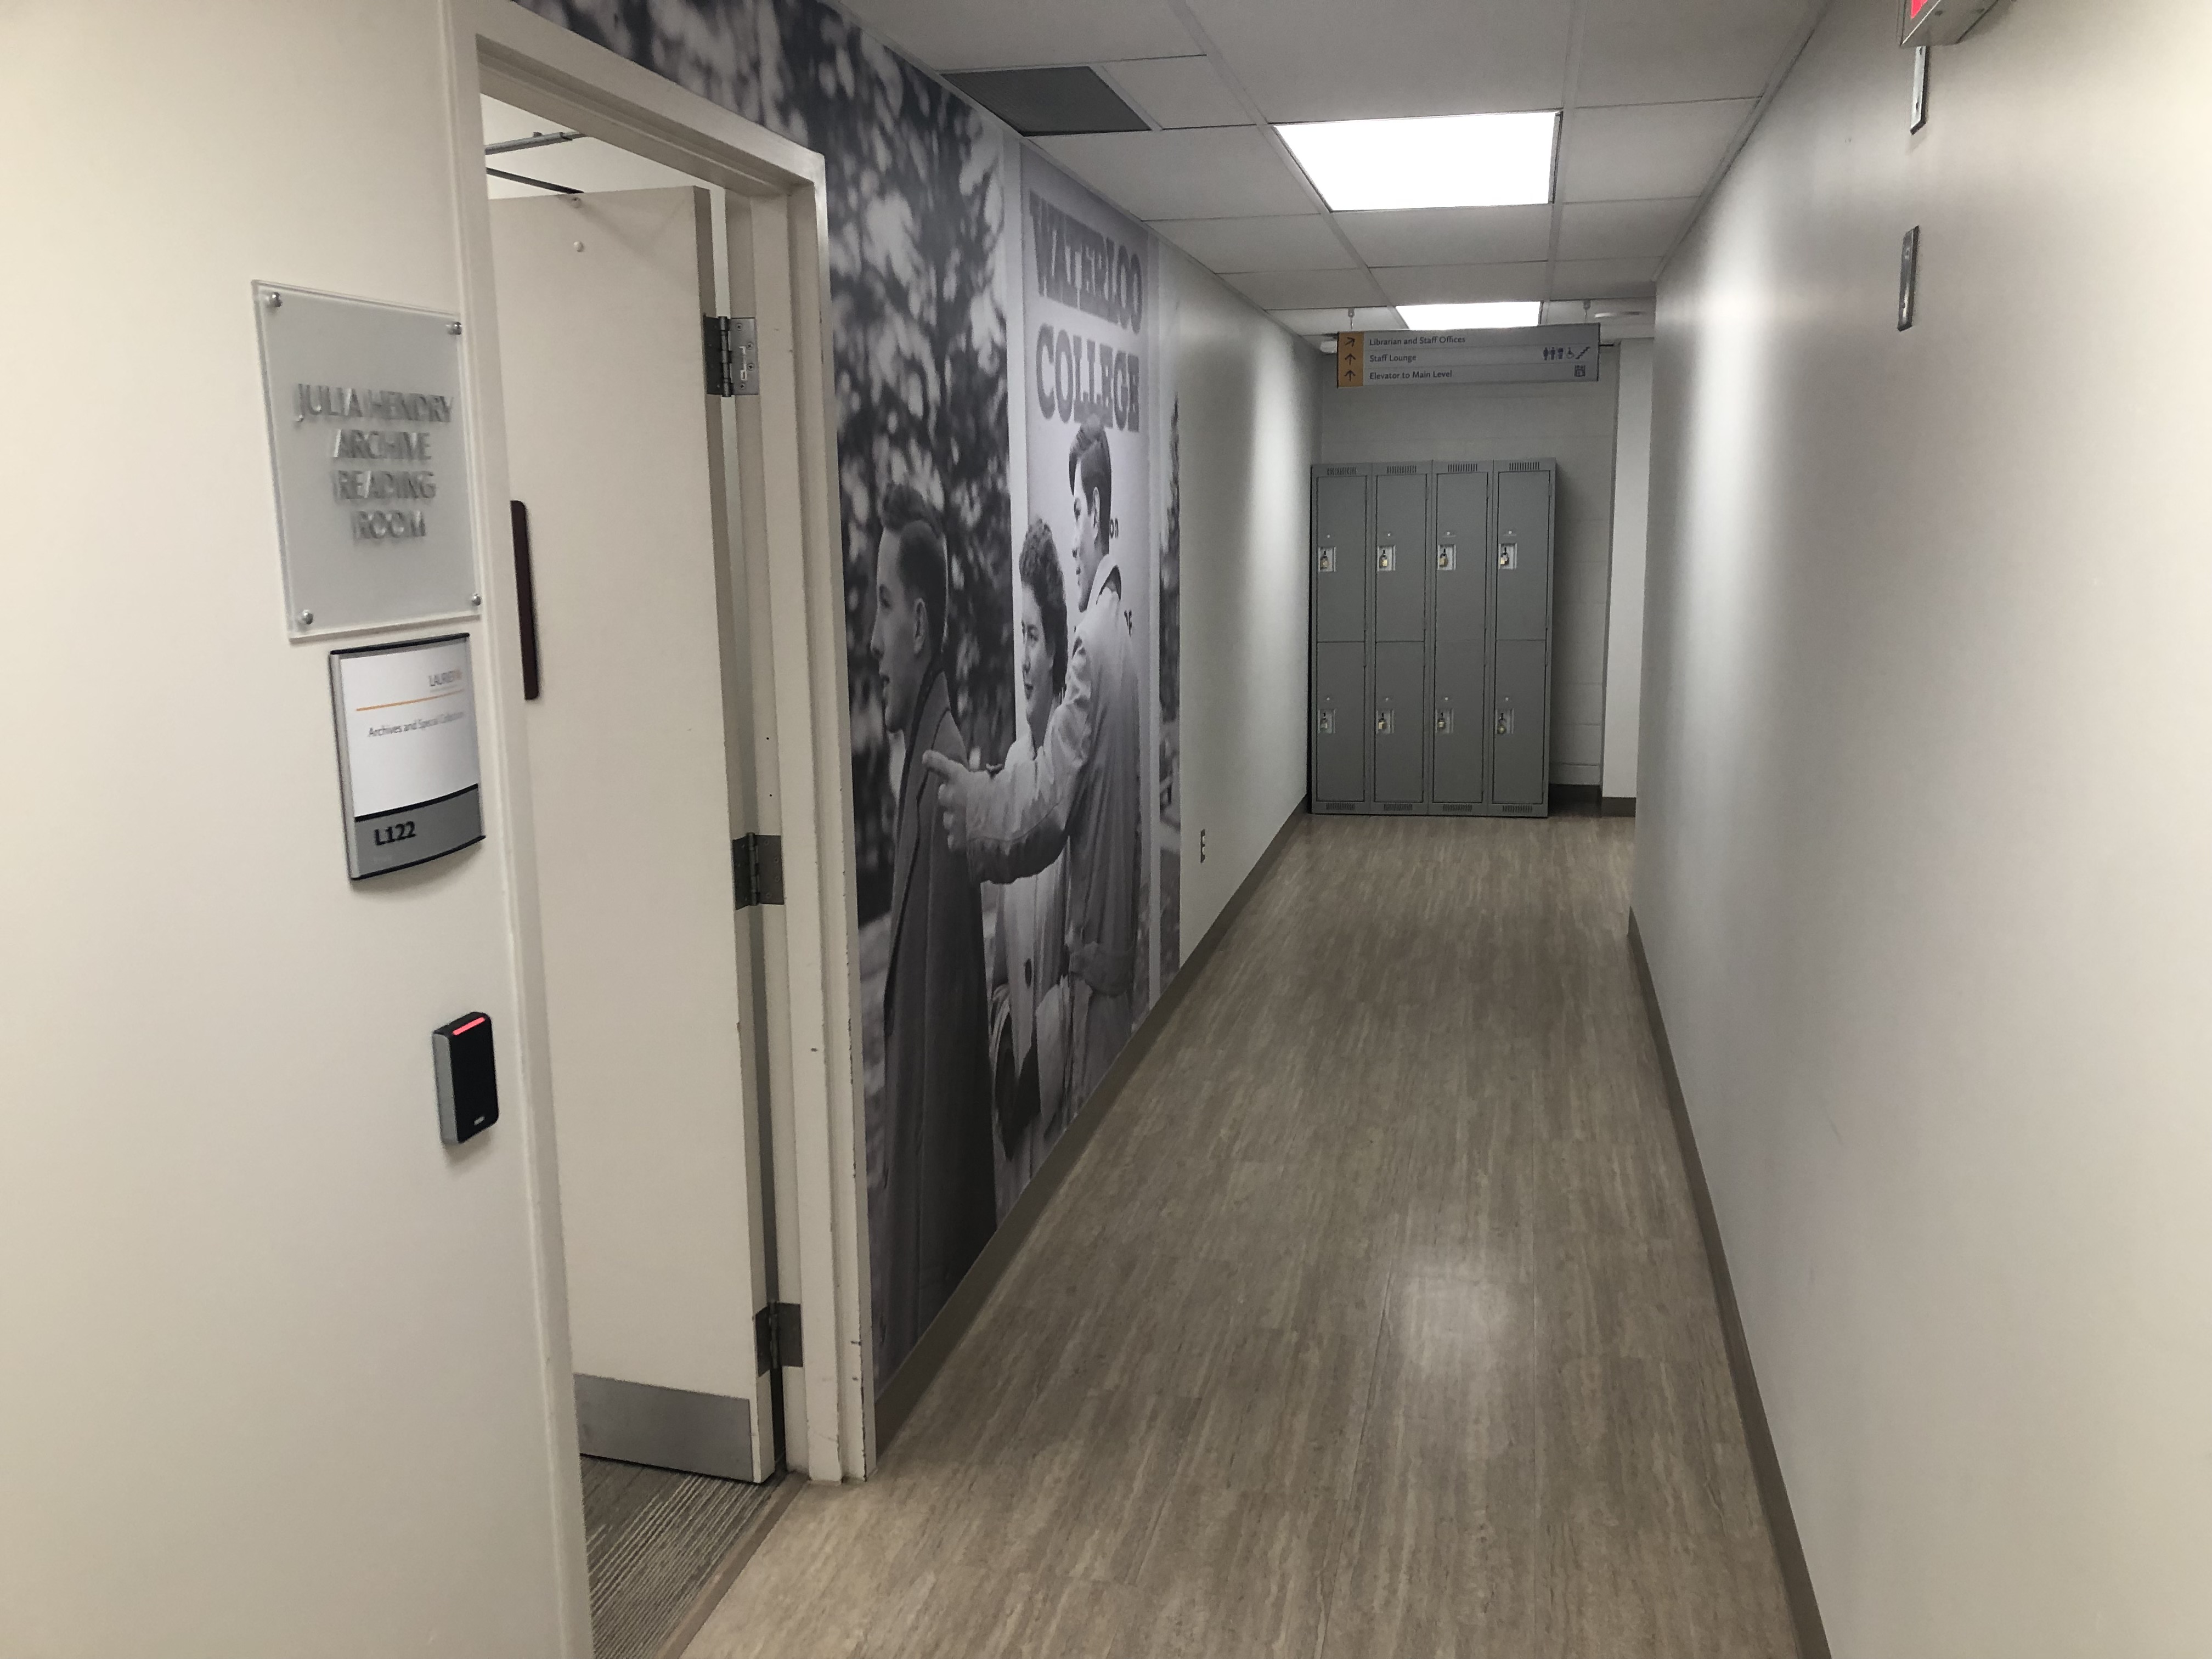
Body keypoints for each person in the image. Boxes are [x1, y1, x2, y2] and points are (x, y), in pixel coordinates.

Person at [924, 419, 1140, 1107]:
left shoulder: (1092, 648)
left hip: (1091, 1008)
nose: (1076, 541)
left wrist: (976, 805)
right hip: (1111, 1000)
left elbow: (1048, 803)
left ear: (1099, 513)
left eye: (1079, 511)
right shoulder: (1121, 638)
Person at [867, 482, 993, 1374]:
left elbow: (946, 1072)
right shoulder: (917, 763)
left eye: (878, 608)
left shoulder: (942, 774)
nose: (870, 640)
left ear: (916, 619)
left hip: (930, 1253)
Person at [985, 521, 1072, 1217]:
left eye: (1034, 637)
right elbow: (997, 976)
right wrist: (1001, 1063)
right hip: (1014, 1123)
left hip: (1058, 1104)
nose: (1023, 657)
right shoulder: (1014, 771)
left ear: (1057, 654)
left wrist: (1034, 1068)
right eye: (1018, 635)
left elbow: (1074, 976)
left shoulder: (1067, 785)